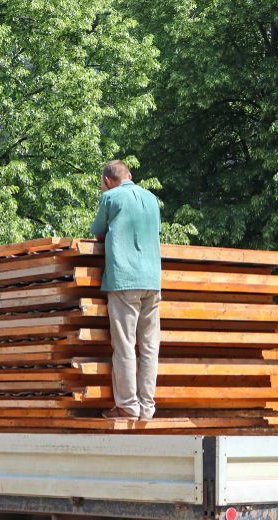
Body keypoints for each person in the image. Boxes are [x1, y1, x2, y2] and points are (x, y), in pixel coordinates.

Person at [90, 160, 162, 421]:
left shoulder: (110, 197)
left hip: (124, 280)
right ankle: (147, 408)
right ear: (130, 175)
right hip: (152, 281)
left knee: (125, 346)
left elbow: (97, 232)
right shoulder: (152, 199)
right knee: (150, 347)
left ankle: (128, 407)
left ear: (107, 181)